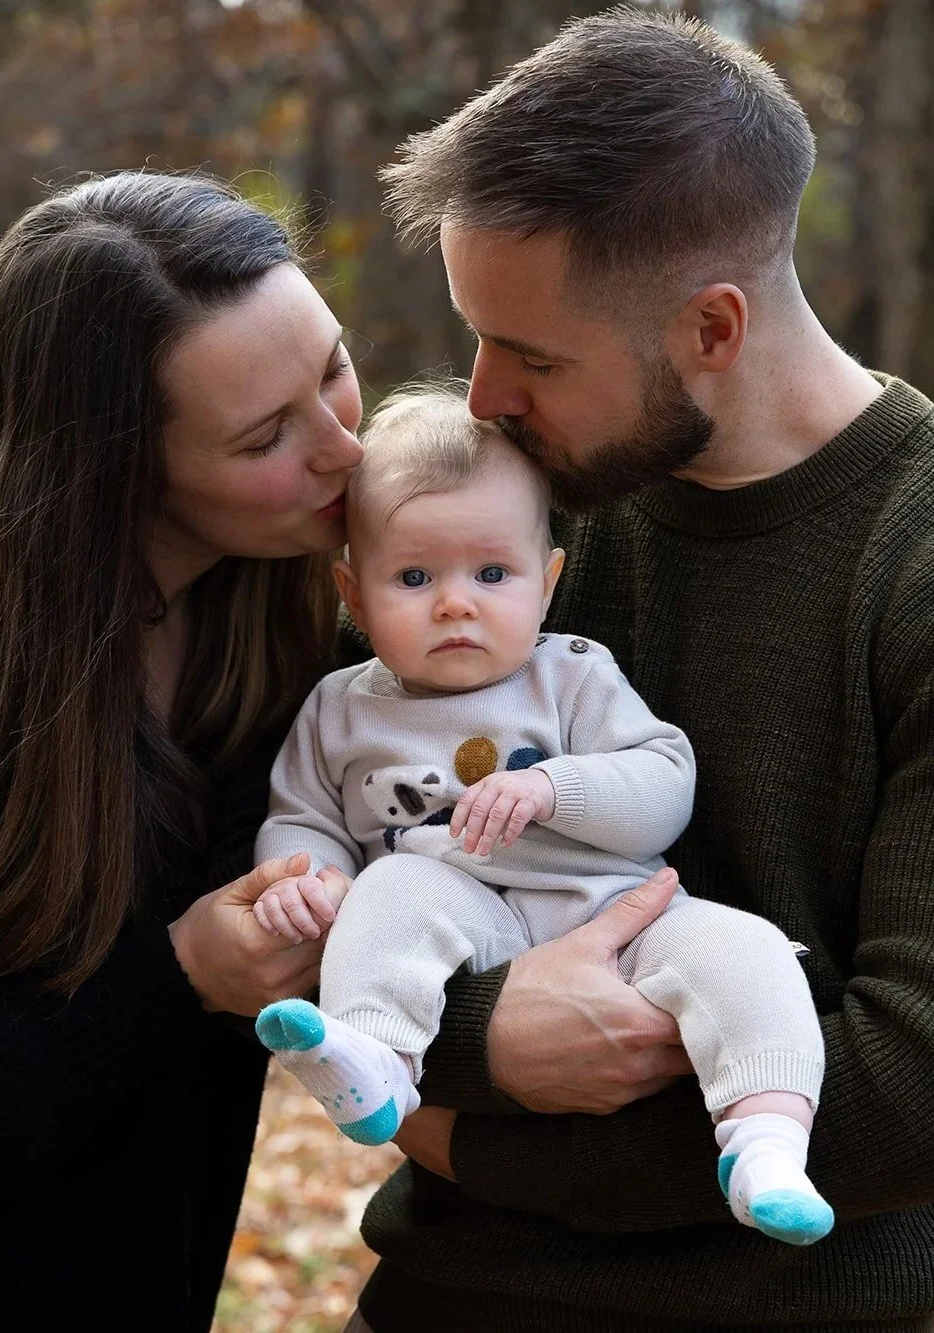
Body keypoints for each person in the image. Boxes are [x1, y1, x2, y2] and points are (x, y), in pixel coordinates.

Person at [337, 10, 934, 1333]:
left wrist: (470, 1128)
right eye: (475, 337)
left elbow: (908, 1081)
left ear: (710, 328)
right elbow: (313, 861)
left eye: (533, 357)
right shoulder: (491, 521)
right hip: (442, 1300)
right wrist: (490, 1036)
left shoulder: (911, 561)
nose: (481, 397)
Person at [0, 169, 366, 1331]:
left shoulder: (295, 618)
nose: (344, 446)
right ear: (114, 471)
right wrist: (174, 978)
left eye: (334, 365)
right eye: (265, 436)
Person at [251, 385, 832, 1248]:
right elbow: (300, 815)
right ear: (353, 593)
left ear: (547, 581)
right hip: (458, 918)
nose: (455, 602)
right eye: (413, 577)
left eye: (492, 574)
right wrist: (307, 876)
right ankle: (374, 1056)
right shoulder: (340, 708)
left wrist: (560, 787)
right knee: (390, 887)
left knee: (745, 951)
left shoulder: (570, 675)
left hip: (617, 911)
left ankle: (766, 1140)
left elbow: (664, 782)